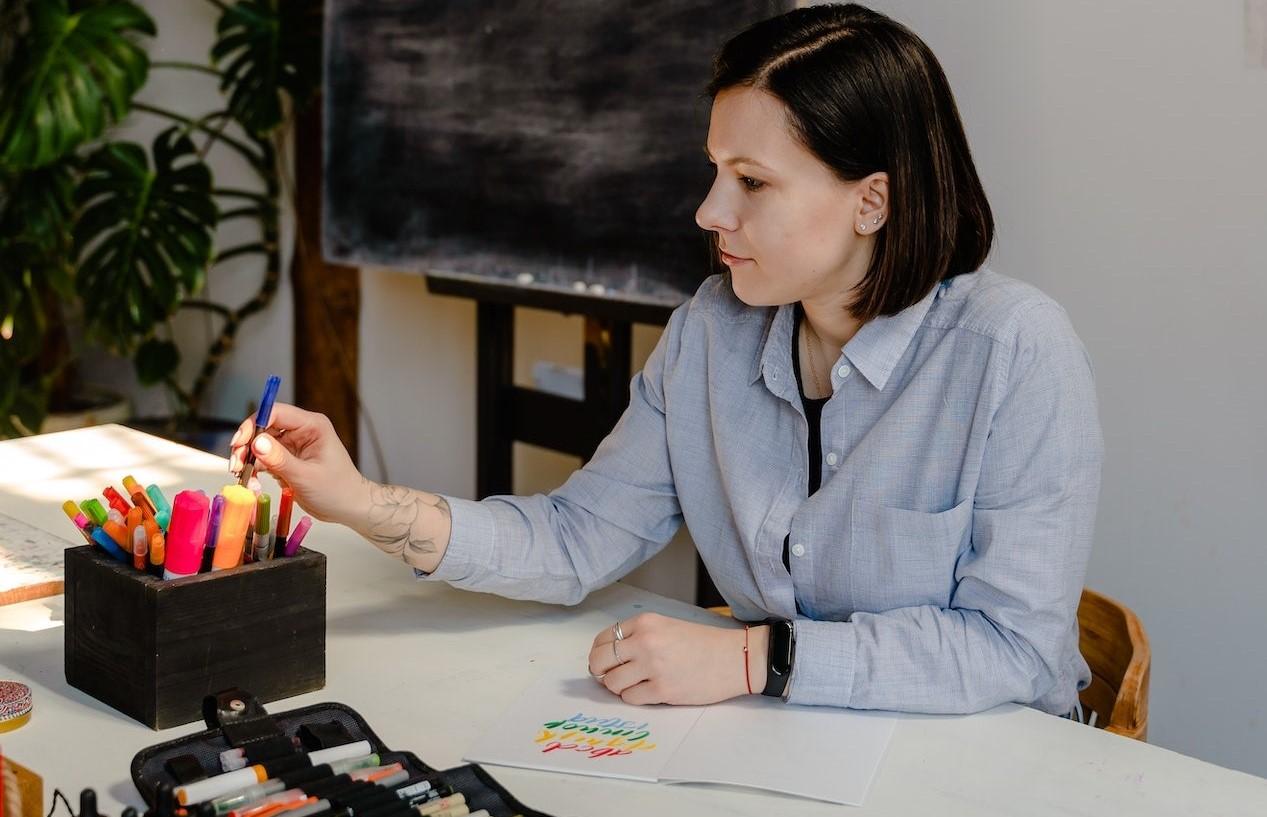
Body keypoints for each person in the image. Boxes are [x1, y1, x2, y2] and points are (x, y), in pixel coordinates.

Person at [229, 3, 1102, 717]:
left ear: (871, 199)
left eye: (751, 182)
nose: (709, 210)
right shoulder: (712, 332)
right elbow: (576, 539)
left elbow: (1011, 647)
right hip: (789, 752)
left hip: (980, 765)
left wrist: (755, 658)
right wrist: (360, 502)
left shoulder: (1013, 351)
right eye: (715, 170)